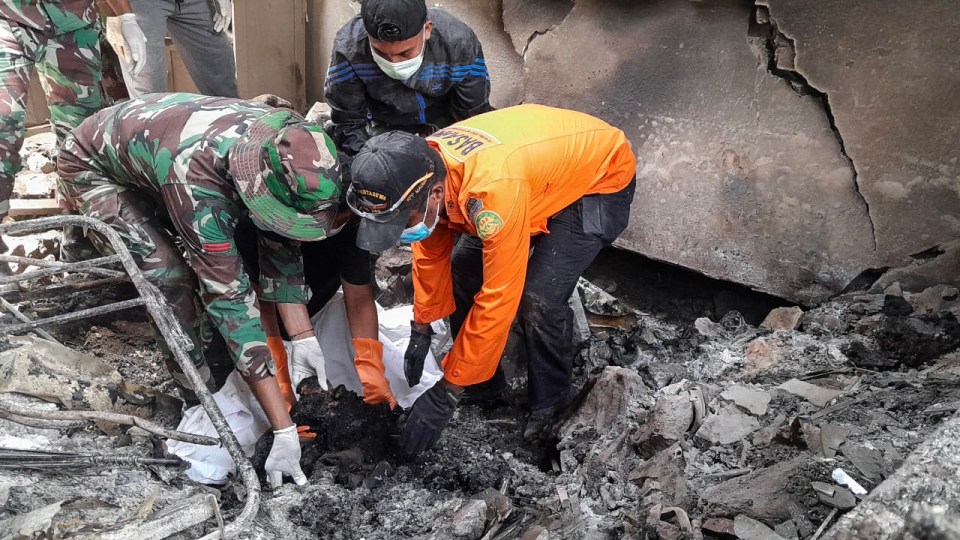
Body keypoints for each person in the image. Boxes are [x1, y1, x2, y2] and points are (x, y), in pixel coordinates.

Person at [58, 92, 342, 486]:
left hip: (156, 149)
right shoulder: (197, 181)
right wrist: (282, 428)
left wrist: (303, 337)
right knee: (169, 277)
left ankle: (235, 380)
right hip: (93, 163)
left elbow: (281, 244)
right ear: (253, 178)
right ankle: (200, 394)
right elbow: (229, 298)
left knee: (236, 246)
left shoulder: (290, 138)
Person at [346, 104, 637, 455]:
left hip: (598, 178)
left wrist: (446, 392)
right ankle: (483, 385)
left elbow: (500, 296)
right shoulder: (423, 168)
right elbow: (432, 251)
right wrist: (421, 326)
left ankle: (551, 403)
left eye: (401, 221)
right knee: (461, 271)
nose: (400, 232)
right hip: (536, 175)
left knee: (538, 296)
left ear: (435, 195)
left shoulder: (490, 194)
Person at [0, 0, 145, 255]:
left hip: (75, 20)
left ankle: (78, 226)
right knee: (4, 123)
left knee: (81, 131)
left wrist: (125, 15)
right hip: (10, 15)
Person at [325, 0, 491, 157]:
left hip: (443, 124)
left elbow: (472, 118)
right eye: (381, 53)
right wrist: (371, 163)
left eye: (405, 53)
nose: (393, 62)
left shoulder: (459, 44)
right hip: (383, 126)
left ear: (427, 30)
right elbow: (349, 123)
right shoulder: (348, 50)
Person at [105, 0, 237, 98]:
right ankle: (150, 132)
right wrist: (124, 16)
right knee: (149, 95)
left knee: (222, 77)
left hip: (195, 2)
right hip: (139, 5)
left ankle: (235, 131)